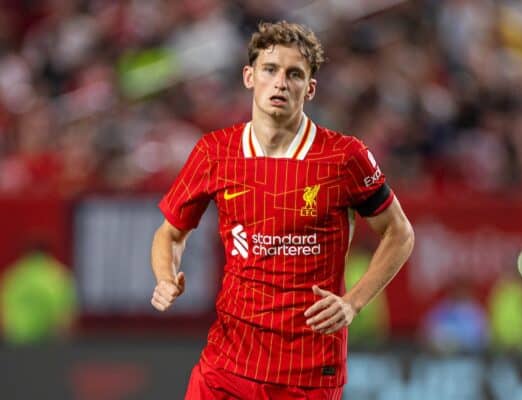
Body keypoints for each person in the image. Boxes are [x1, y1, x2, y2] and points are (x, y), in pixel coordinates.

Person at [150, 21, 414, 399]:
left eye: (294, 74)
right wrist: (165, 276)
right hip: (226, 365)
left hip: (306, 374)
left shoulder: (344, 157)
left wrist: (353, 302)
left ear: (310, 88)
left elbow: (399, 233)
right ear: (249, 76)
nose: (280, 82)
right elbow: (170, 232)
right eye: (270, 70)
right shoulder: (215, 152)